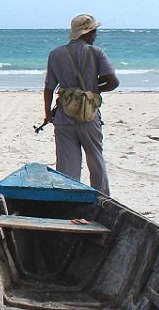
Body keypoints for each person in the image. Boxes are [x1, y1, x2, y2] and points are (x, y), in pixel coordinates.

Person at [43, 14, 119, 195]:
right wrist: (96, 89)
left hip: (63, 115)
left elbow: (49, 89)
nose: (96, 35)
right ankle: (101, 199)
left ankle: (68, 199)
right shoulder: (96, 53)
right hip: (89, 116)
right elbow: (113, 82)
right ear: (88, 33)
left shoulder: (56, 54)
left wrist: (48, 114)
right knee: (95, 160)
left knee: (66, 165)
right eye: (94, 31)